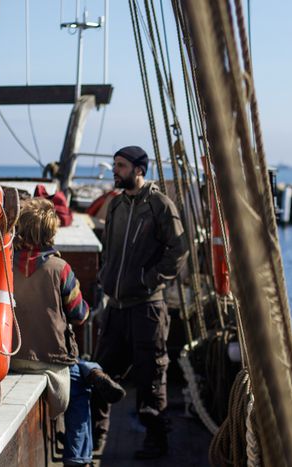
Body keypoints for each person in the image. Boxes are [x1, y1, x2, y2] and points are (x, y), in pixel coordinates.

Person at [10, 198, 125, 467]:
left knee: (82, 368)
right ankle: (78, 457)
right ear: (50, 233)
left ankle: (92, 370)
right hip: (52, 361)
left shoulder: (5, 264)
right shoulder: (60, 269)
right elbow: (80, 314)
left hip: (13, 358)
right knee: (81, 388)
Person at [93, 146, 188, 460]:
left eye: (121, 166)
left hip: (147, 307)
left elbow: (178, 249)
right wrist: (105, 275)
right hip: (116, 307)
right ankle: (97, 437)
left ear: (138, 170)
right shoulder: (117, 204)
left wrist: (152, 278)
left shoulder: (159, 205)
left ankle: (156, 441)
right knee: (101, 372)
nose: (115, 171)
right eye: (116, 165)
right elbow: (107, 248)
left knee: (150, 375)